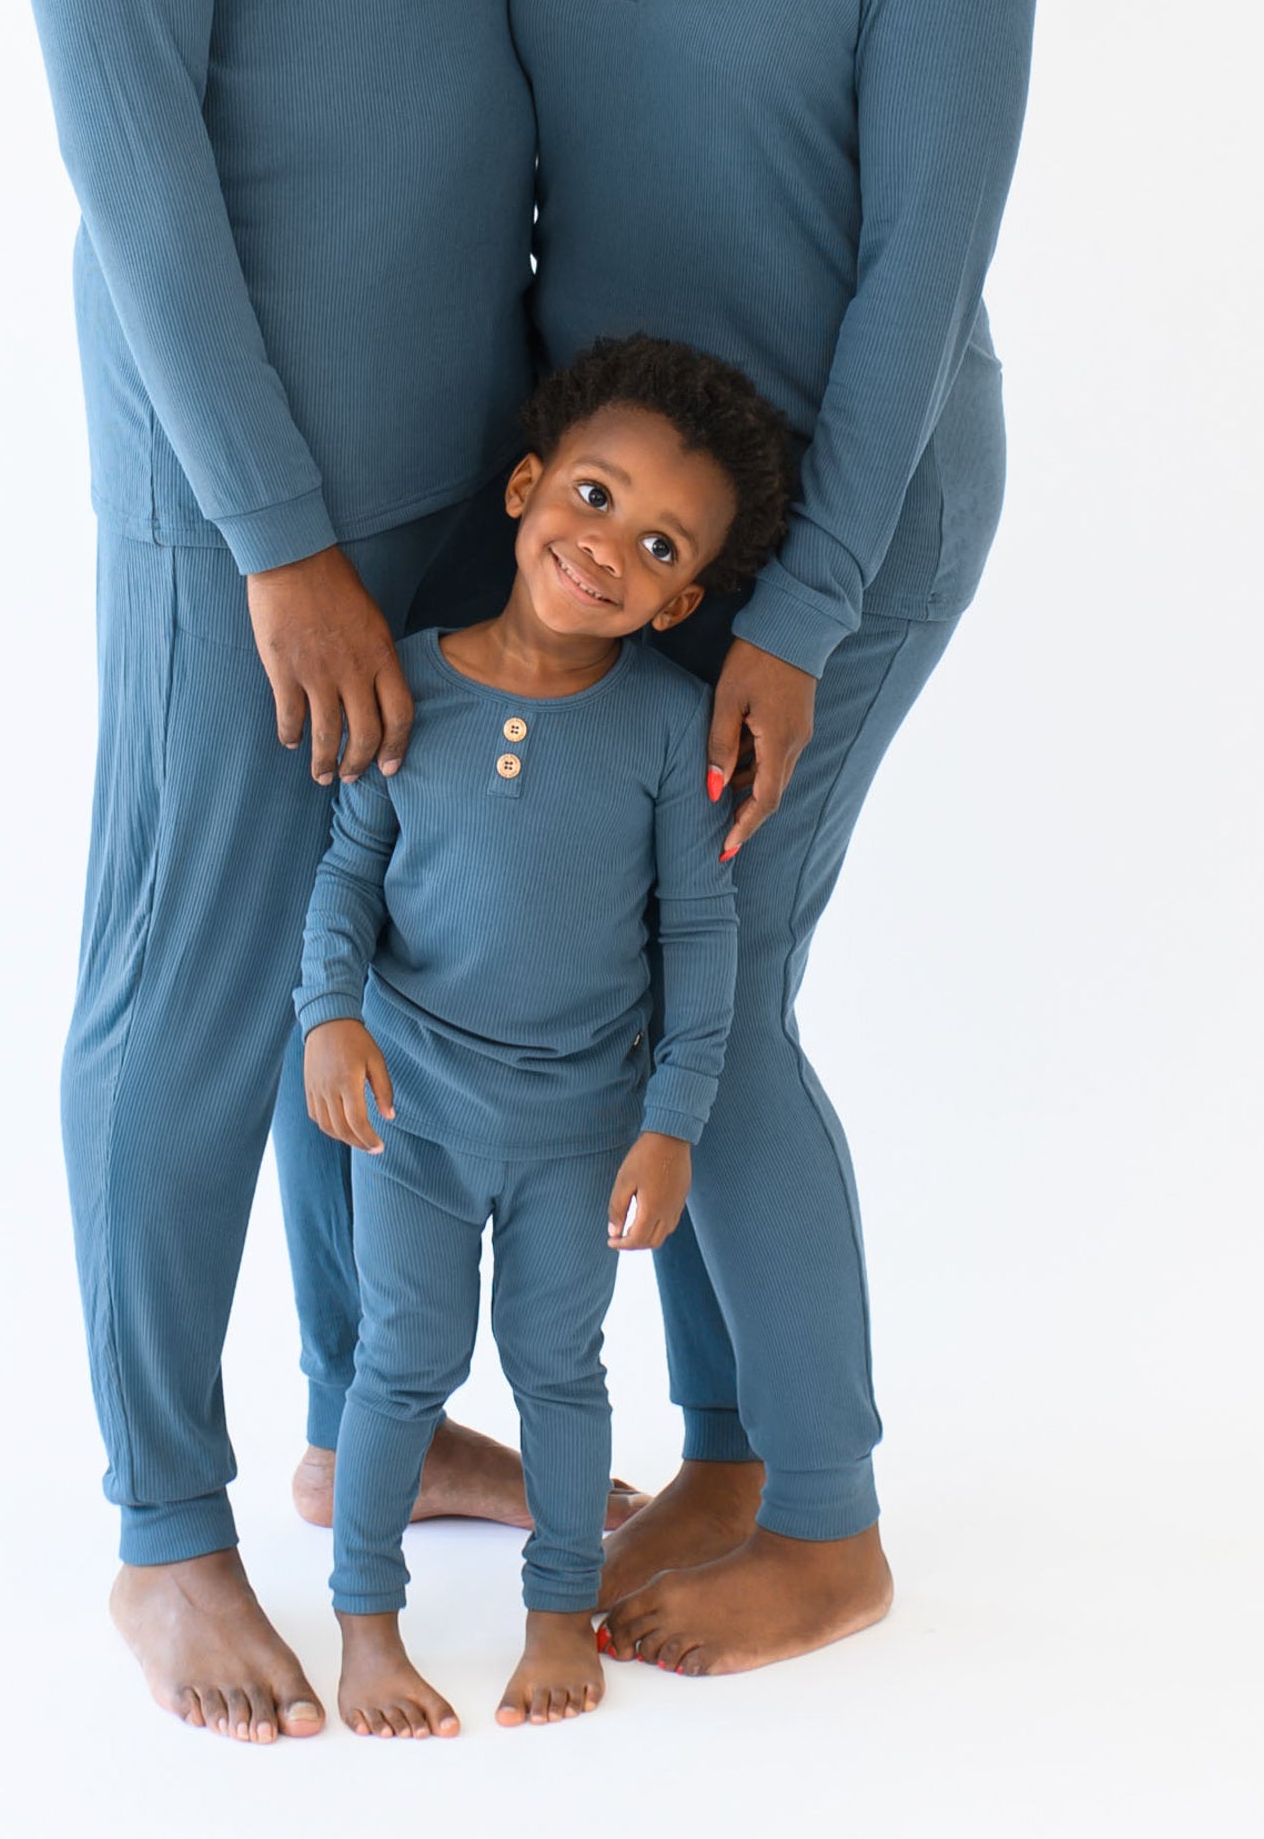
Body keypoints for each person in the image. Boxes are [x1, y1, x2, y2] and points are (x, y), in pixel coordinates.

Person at [14, 0, 557, 1746]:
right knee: (196, 984)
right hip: (252, 501)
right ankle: (158, 1520)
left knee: (398, 971)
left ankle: (375, 1417)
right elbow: (126, 153)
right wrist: (278, 538)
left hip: (468, 454)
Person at [453, 0, 1038, 1674]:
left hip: (848, 517)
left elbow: (923, 271)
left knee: (728, 983)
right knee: (646, 989)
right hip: (623, 517)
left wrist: (795, 612)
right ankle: (722, 1444)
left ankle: (830, 1510)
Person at [295, 338, 791, 1735]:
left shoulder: (663, 728)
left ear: (680, 596)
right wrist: (329, 1015)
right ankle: (367, 1627)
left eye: (653, 543)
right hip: (413, 1111)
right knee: (401, 1364)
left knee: (560, 1370)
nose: (604, 548)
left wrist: (674, 1119)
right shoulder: (406, 686)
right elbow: (346, 875)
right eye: (588, 495)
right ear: (523, 490)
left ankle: (558, 1610)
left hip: (580, 1124)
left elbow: (700, 936)